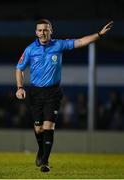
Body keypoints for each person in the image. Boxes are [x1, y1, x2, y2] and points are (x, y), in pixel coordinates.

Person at [15, 19, 113, 172]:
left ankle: (45, 161)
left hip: (53, 93)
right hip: (35, 93)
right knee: (38, 128)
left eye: (45, 30)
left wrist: (99, 34)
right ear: (36, 32)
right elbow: (19, 68)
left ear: (51, 31)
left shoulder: (58, 45)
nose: (43, 33)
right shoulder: (30, 50)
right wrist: (20, 87)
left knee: (48, 127)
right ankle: (41, 149)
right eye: (40, 30)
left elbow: (81, 41)